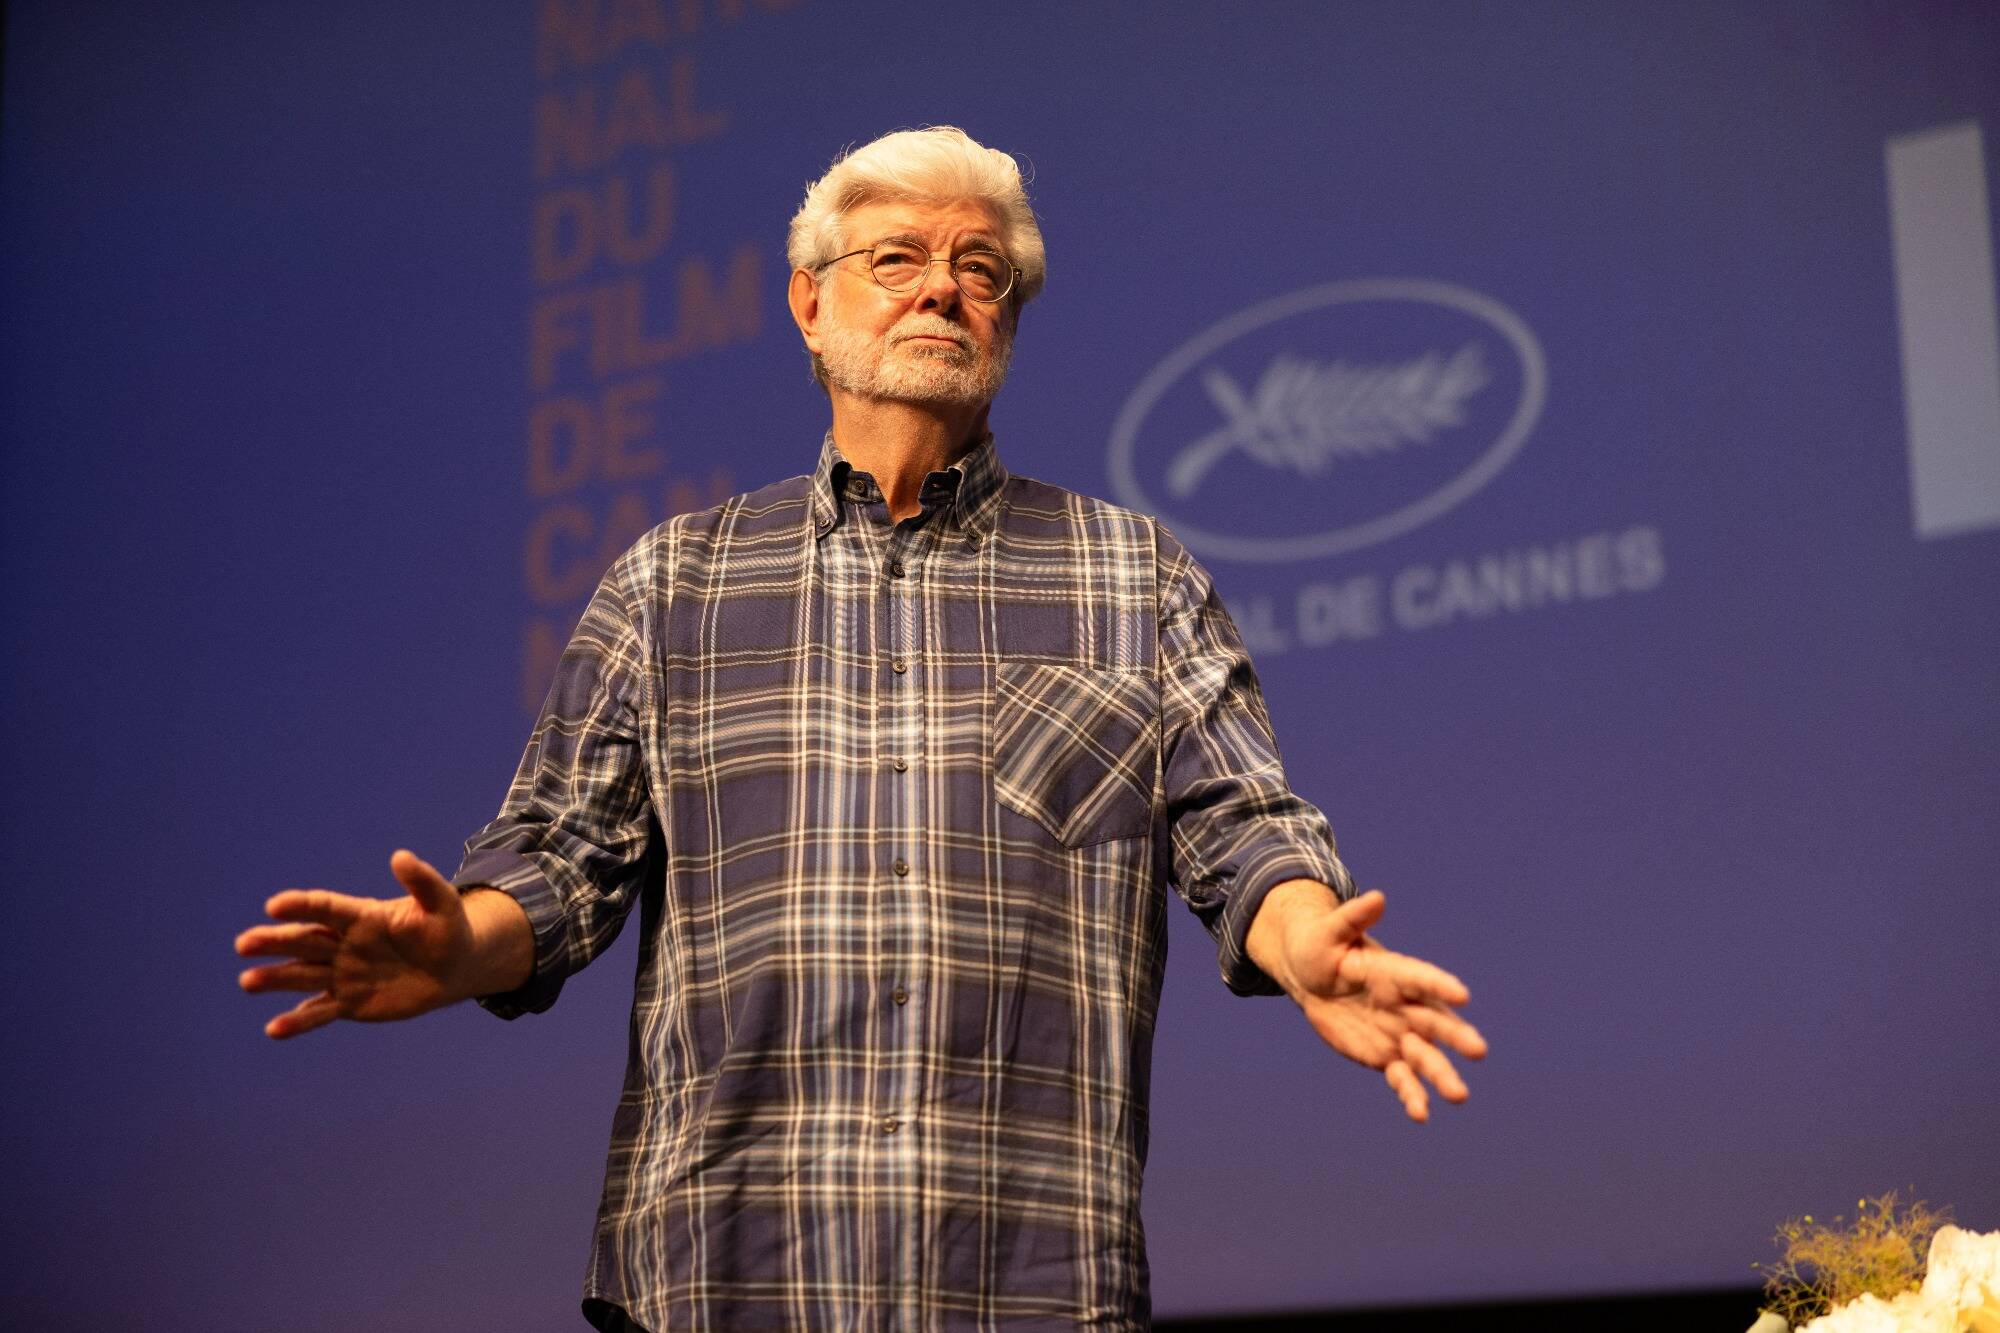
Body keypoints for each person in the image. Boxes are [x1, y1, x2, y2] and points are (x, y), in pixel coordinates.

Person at [236, 126, 1487, 1331]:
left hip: (1025, 1274)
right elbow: (563, 858)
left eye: (979, 269)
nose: (941, 288)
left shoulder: (1130, 576)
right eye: (897, 257)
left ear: (1007, 317)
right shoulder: (674, 580)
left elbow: (1237, 827)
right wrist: (466, 950)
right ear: (807, 301)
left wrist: (1307, 934)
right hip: (723, 1276)